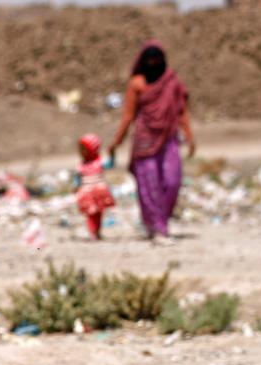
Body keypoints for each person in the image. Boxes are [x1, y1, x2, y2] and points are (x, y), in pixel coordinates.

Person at [109, 41, 195, 245]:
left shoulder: (172, 82)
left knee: (172, 182)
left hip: (169, 138)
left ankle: (160, 221)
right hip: (145, 141)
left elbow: (182, 111)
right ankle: (157, 228)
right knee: (150, 186)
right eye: (150, 59)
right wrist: (117, 142)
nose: (154, 63)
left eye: (157, 59)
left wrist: (190, 136)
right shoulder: (137, 83)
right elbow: (128, 115)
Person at [75, 134, 116, 241]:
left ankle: (97, 231)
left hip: (98, 192)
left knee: (98, 214)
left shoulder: (99, 162)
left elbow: (110, 164)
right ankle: (92, 232)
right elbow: (77, 179)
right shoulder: (81, 165)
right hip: (87, 194)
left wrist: (112, 154)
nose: (81, 152)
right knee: (90, 213)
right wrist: (76, 188)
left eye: (84, 149)